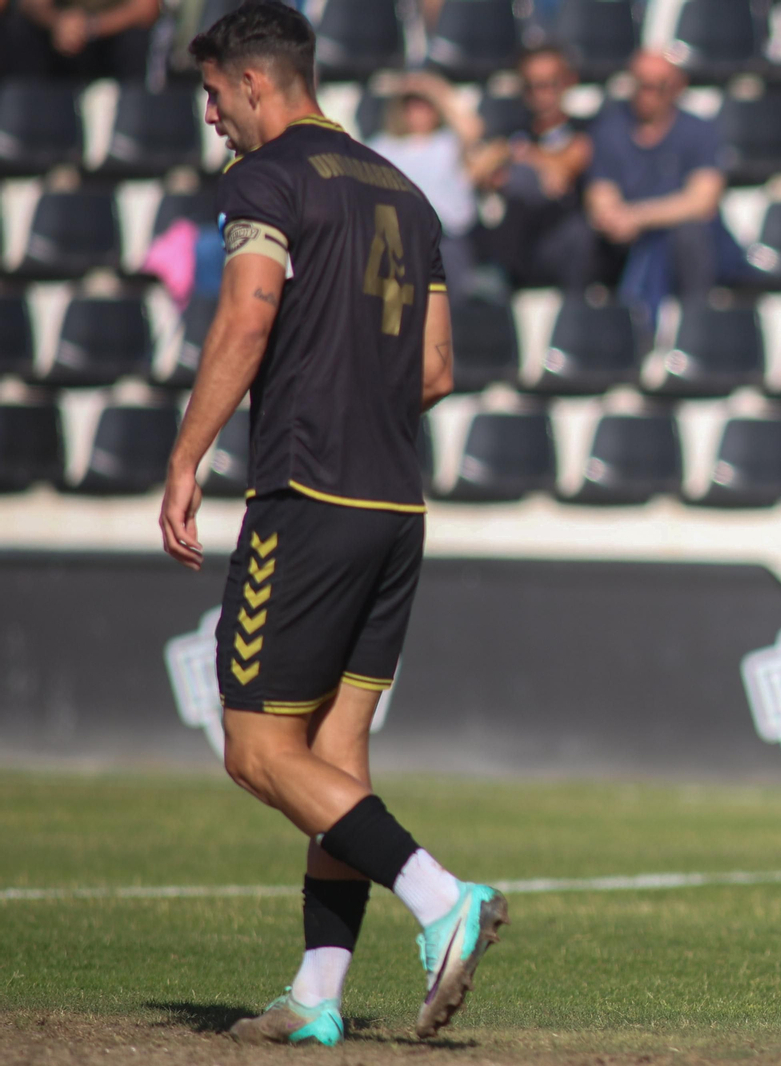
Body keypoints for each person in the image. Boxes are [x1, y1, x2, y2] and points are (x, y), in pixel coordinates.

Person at [157, 2, 506, 1046]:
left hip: (307, 497)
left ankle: (443, 896)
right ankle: (317, 993)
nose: (213, 116)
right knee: (335, 759)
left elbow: (248, 310)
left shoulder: (265, 182)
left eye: (215, 95)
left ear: (256, 83)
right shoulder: (406, 191)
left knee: (257, 752)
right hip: (396, 503)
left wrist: (185, 456)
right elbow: (436, 370)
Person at [585, 50, 739, 322]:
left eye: (658, 86)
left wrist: (638, 217)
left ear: (676, 88)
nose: (648, 93)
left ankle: (697, 323)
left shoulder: (699, 132)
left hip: (686, 248)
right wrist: (619, 219)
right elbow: (601, 199)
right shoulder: (609, 130)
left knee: (688, 235)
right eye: (641, 84)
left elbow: (702, 202)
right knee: (582, 239)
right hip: (626, 244)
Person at [471, 45, 596, 292]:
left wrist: (522, 156)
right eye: (531, 86)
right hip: (520, 242)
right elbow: (476, 172)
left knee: (523, 179)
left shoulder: (585, 129)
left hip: (562, 240)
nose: (541, 95)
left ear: (568, 83)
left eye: (549, 84)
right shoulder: (510, 131)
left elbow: (568, 167)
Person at [366, 71, 486, 297]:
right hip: (398, 244)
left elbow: (473, 129)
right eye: (411, 105)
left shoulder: (448, 142)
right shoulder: (381, 147)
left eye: (425, 105)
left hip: (447, 241)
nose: (418, 112)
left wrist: (432, 87)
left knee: (450, 303)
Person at [0, 0, 160, 79]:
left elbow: (146, 8)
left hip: (111, 34)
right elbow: (31, 4)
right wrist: (59, 22)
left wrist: (91, 26)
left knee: (136, 39)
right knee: (19, 29)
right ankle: (27, 121)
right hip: (58, 33)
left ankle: (134, 125)